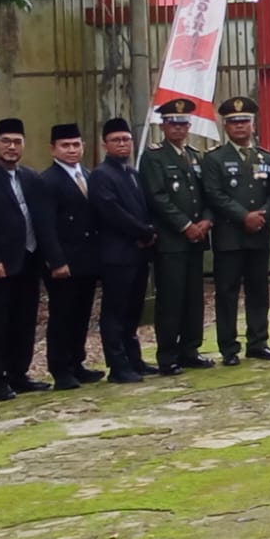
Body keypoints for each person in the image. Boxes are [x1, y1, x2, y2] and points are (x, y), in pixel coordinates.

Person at [0, 117, 50, 399]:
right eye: (6, 141)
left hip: (30, 259)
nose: (11, 147)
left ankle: (20, 373)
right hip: (1, 263)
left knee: (27, 319)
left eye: (17, 142)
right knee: (0, 321)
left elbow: (41, 220)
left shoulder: (31, 177)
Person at [201, 97, 270, 366]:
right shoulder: (215, 158)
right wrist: (244, 216)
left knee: (259, 291)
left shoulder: (265, 157)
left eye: (244, 121)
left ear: (253, 125)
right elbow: (214, 194)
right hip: (229, 236)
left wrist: (263, 215)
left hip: (259, 234)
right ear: (226, 126)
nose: (240, 126)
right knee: (227, 293)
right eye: (233, 122)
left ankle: (258, 342)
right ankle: (229, 348)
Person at [140, 98, 213, 375]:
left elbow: (206, 193)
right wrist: (185, 225)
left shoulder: (194, 155)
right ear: (163, 125)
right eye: (173, 124)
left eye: (183, 124)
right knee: (171, 299)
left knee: (194, 297)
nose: (179, 129)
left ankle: (190, 349)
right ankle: (168, 355)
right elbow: (157, 197)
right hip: (172, 240)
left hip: (197, 238)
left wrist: (206, 220)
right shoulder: (154, 156)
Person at [88, 118, 158, 382]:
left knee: (133, 312)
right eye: (116, 140)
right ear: (105, 144)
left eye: (126, 139)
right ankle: (118, 366)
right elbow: (112, 212)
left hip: (139, 254)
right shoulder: (101, 175)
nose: (122, 144)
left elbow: (144, 207)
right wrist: (144, 231)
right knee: (115, 313)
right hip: (117, 255)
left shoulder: (132, 173)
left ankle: (134, 359)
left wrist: (150, 231)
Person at [34, 123, 103, 390]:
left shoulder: (87, 174)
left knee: (82, 314)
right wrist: (56, 261)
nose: (72, 150)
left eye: (76, 144)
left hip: (87, 259)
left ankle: (77, 362)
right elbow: (45, 225)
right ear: (53, 149)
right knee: (62, 314)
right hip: (63, 261)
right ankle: (60, 369)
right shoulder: (47, 180)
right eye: (66, 145)